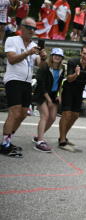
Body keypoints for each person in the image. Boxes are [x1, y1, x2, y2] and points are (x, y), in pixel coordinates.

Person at [1, 17, 47, 157]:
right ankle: (4, 145)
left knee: (22, 115)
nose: (32, 30)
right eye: (29, 27)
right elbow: (11, 59)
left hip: (27, 82)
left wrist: (44, 57)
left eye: (35, 28)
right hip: (14, 79)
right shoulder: (12, 40)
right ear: (22, 27)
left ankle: (8, 141)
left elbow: (41, 66)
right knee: (14, 113)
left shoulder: (34, 45)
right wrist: (28, 53)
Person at [58, 44, 86, 152]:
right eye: (84, 53)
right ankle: (62, 142)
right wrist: (76, 74)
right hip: (68, 89)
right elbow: (69, 79)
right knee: (66, 114)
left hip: (79, 91)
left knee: (75, 115)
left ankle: (63, 137)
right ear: (80, 53)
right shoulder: (73, 61)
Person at [32, 48, 65, 152]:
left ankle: (38, 136)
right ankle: (40, 142)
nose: (57, 57)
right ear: (51, 56)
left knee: (52, 118)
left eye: (59, 56)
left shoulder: (62, 68)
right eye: (55, 55)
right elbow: (41, 86)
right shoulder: (44, 67)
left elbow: (60, 83)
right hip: (42, 94)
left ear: (61, 58)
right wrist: (48, 100)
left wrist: (59, 95)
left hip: (53, 94)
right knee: (45, 116)